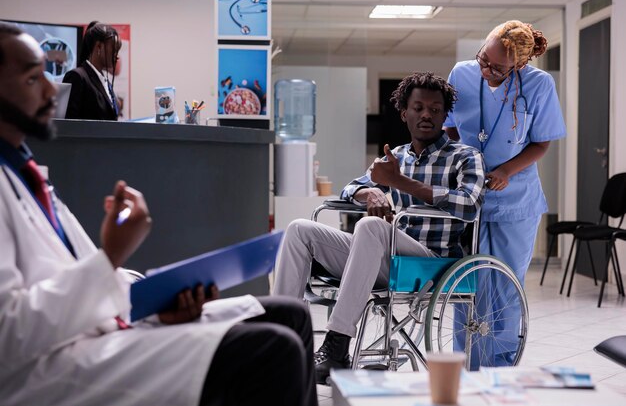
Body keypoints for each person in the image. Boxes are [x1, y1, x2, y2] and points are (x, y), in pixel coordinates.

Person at [0, 23, 317, 406]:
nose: (52, 91)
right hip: (52, 368)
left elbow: (73, 274)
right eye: (34, 79)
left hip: (97, 324)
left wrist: (155, 298)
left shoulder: (24, 173)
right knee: (272, 348)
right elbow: (9, 336)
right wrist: (109, 258)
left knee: (292, 315)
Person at [273, 72, 486, 384]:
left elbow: (469, 205)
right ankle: (282, 342)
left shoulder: (466, 156)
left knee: (372, 226)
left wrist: (400, 183)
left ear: (444, 115)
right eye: (418, 108)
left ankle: (337, 346)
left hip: (431, 262)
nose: (426, 114)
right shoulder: (394, 156)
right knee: (299, 229)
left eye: (435, 109)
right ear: (404, 113)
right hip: (386, 256)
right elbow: (350, 188)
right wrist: (370, 191)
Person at [443, 20, 567, 367]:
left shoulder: (539, 84)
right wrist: (464, 163)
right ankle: (465, 362)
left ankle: (500, 365)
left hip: (516, 197)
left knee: (505, 284)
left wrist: (505, 171)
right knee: (466, 282)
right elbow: (450, 125)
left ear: (519, 65)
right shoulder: (462, 73)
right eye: (483, 59)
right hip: (469, 194)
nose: (486, 70)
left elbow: (541, 142)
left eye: (497, 68)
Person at [62, 21, 120, 120]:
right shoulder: (77, 77)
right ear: (99, 46)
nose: (117, 56)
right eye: (114, 49)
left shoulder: (105, 82)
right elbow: (69, 126)